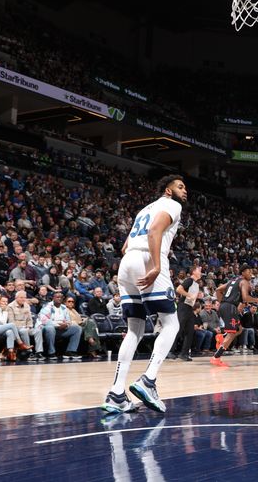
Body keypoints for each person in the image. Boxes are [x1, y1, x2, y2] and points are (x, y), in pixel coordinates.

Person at [102, 175, 186, 414]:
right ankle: (148, 381)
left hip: (126, 263)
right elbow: (154, 232)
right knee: (171, 324)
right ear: (168, 191)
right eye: (180, 186)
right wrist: (157, 265)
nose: (184, 191)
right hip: (147, 259)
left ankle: (116, 394)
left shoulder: (143, 209)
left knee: (135, 329)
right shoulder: (172, 205)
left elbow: (125, 246)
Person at [210, 265, 258, 366]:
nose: (251, 274)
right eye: (249, 272)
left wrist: (222, 302)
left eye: (252, 273)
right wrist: (257, 300)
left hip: (225, 306)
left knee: (239, 329)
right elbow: (245, 298)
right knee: (232, 333)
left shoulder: (233, 280)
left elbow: (218, 290)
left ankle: (221, 337)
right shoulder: (244, 282)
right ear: (243, 273)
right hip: (229, 307)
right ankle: (216, 357)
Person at [175, 265, 202, 361]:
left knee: (190, 332)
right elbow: (178, 289)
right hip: (183, 307)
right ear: (193, 271)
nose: (201, 271)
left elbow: (192, 297)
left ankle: (184, 353)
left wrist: (197, 296)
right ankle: (169, 351)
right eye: (199, 270)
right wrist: (189, 295)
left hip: (189, 308)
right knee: (179, 329)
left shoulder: (196, 283)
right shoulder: (189, 280)